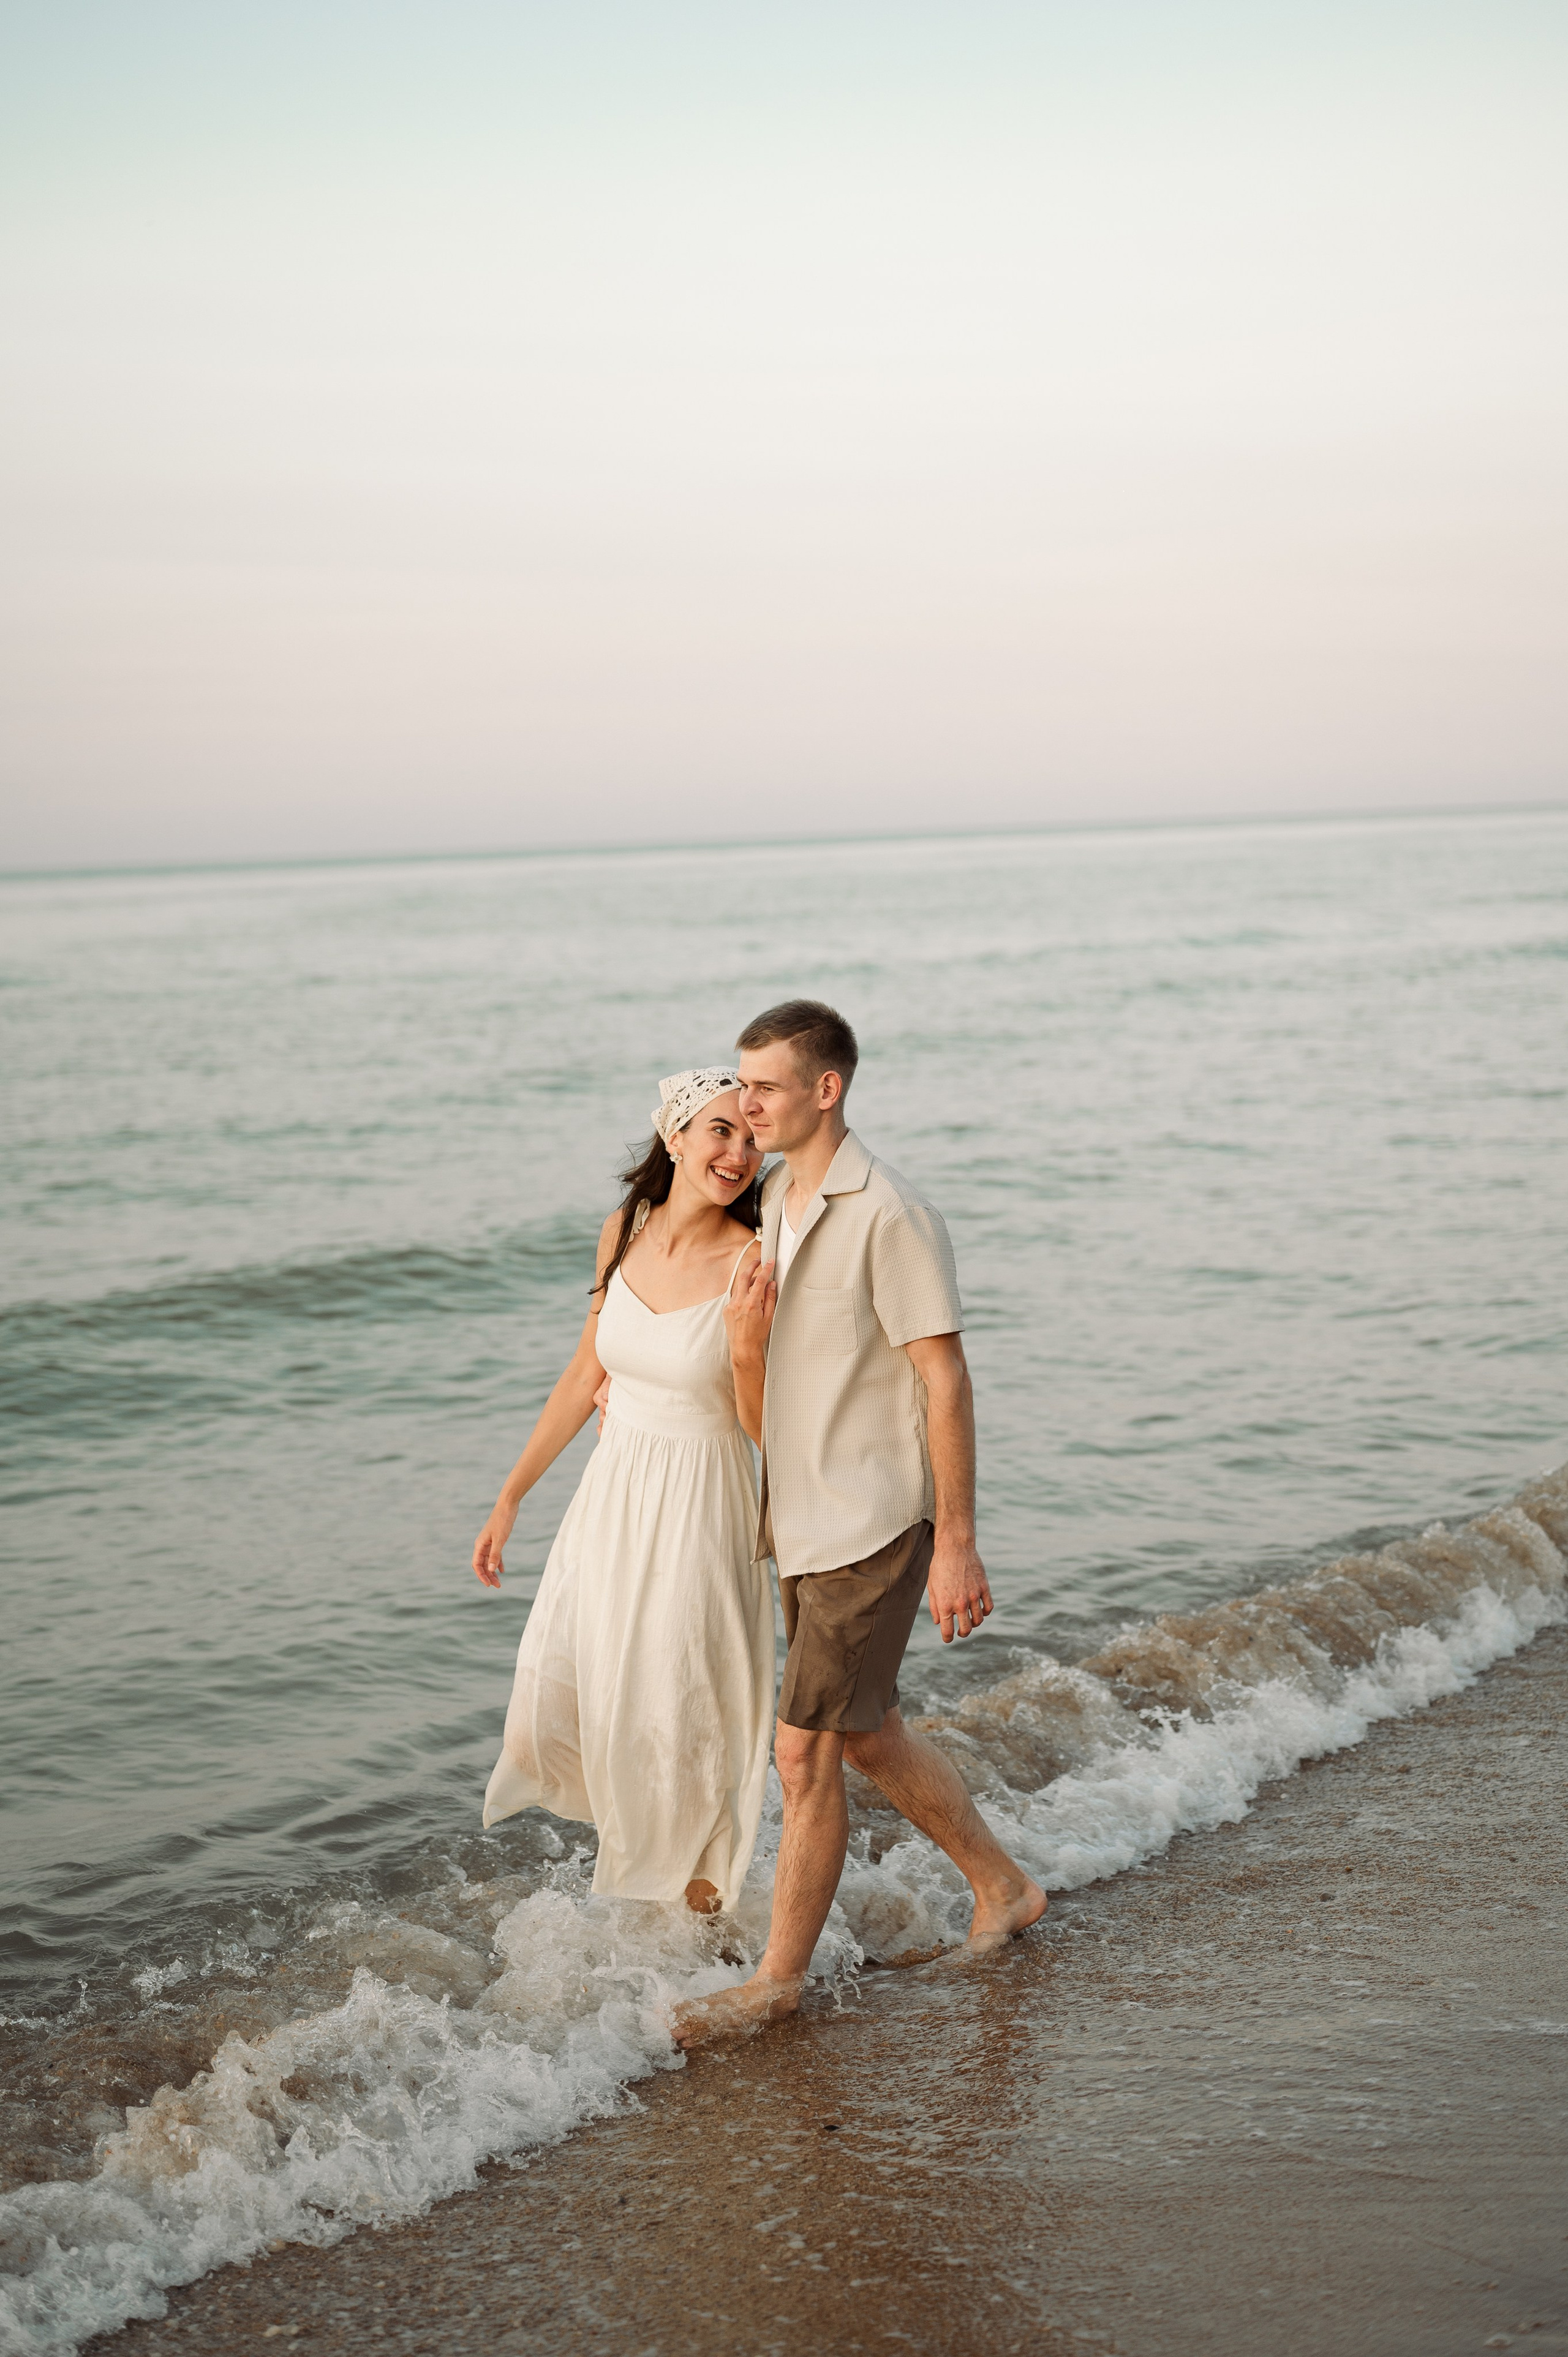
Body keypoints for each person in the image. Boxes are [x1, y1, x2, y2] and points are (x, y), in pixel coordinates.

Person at [673, 1001, 1045, 2043]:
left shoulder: (890, 1212)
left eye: (766, 1087)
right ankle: (1004, 1886)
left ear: (825, 1089)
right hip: (802, 1520)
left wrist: (959, 1540)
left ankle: (775, 1983)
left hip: (877, 1522)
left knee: (804, 1755)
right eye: (739, 1086)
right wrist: (741, 1345)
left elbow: (946, 1377)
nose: (746, 1107)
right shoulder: (783, 1201)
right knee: (867, 1732)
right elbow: (776, 1406)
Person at [473, 1069, 775, 1917]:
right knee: (566, 1702)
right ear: (674, 1138)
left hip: (703, 1501)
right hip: (613, 1497)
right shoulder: (625, 1228)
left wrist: (749, 1353)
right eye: (721, 1130)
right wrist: (512, 1497)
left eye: (752, 1137)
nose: (739, 1152)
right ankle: (663, 1896)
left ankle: (707, 1925)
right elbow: (584, 1372)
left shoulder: (753, 1261)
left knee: (681, 1711)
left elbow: (764, 1430)